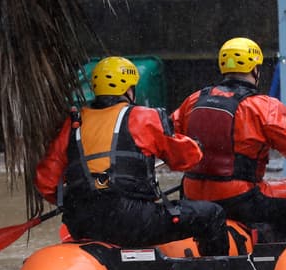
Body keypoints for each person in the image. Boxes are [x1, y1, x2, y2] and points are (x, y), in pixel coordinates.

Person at [35, 56, 228, 256]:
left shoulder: (72, 123)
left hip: (82, 223)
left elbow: (46, 183)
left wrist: (83, 196)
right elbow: (183, 159)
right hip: (131, 221)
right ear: (129, 89)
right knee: (212, 214)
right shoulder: (142, 117)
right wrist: (197, 146)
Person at [170, 37, 286, 241]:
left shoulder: (194, 100)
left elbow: (170, 140)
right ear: (255, 69)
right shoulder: (264, 107)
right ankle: (283, 251)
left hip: (192, 195)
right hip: (240, 200)